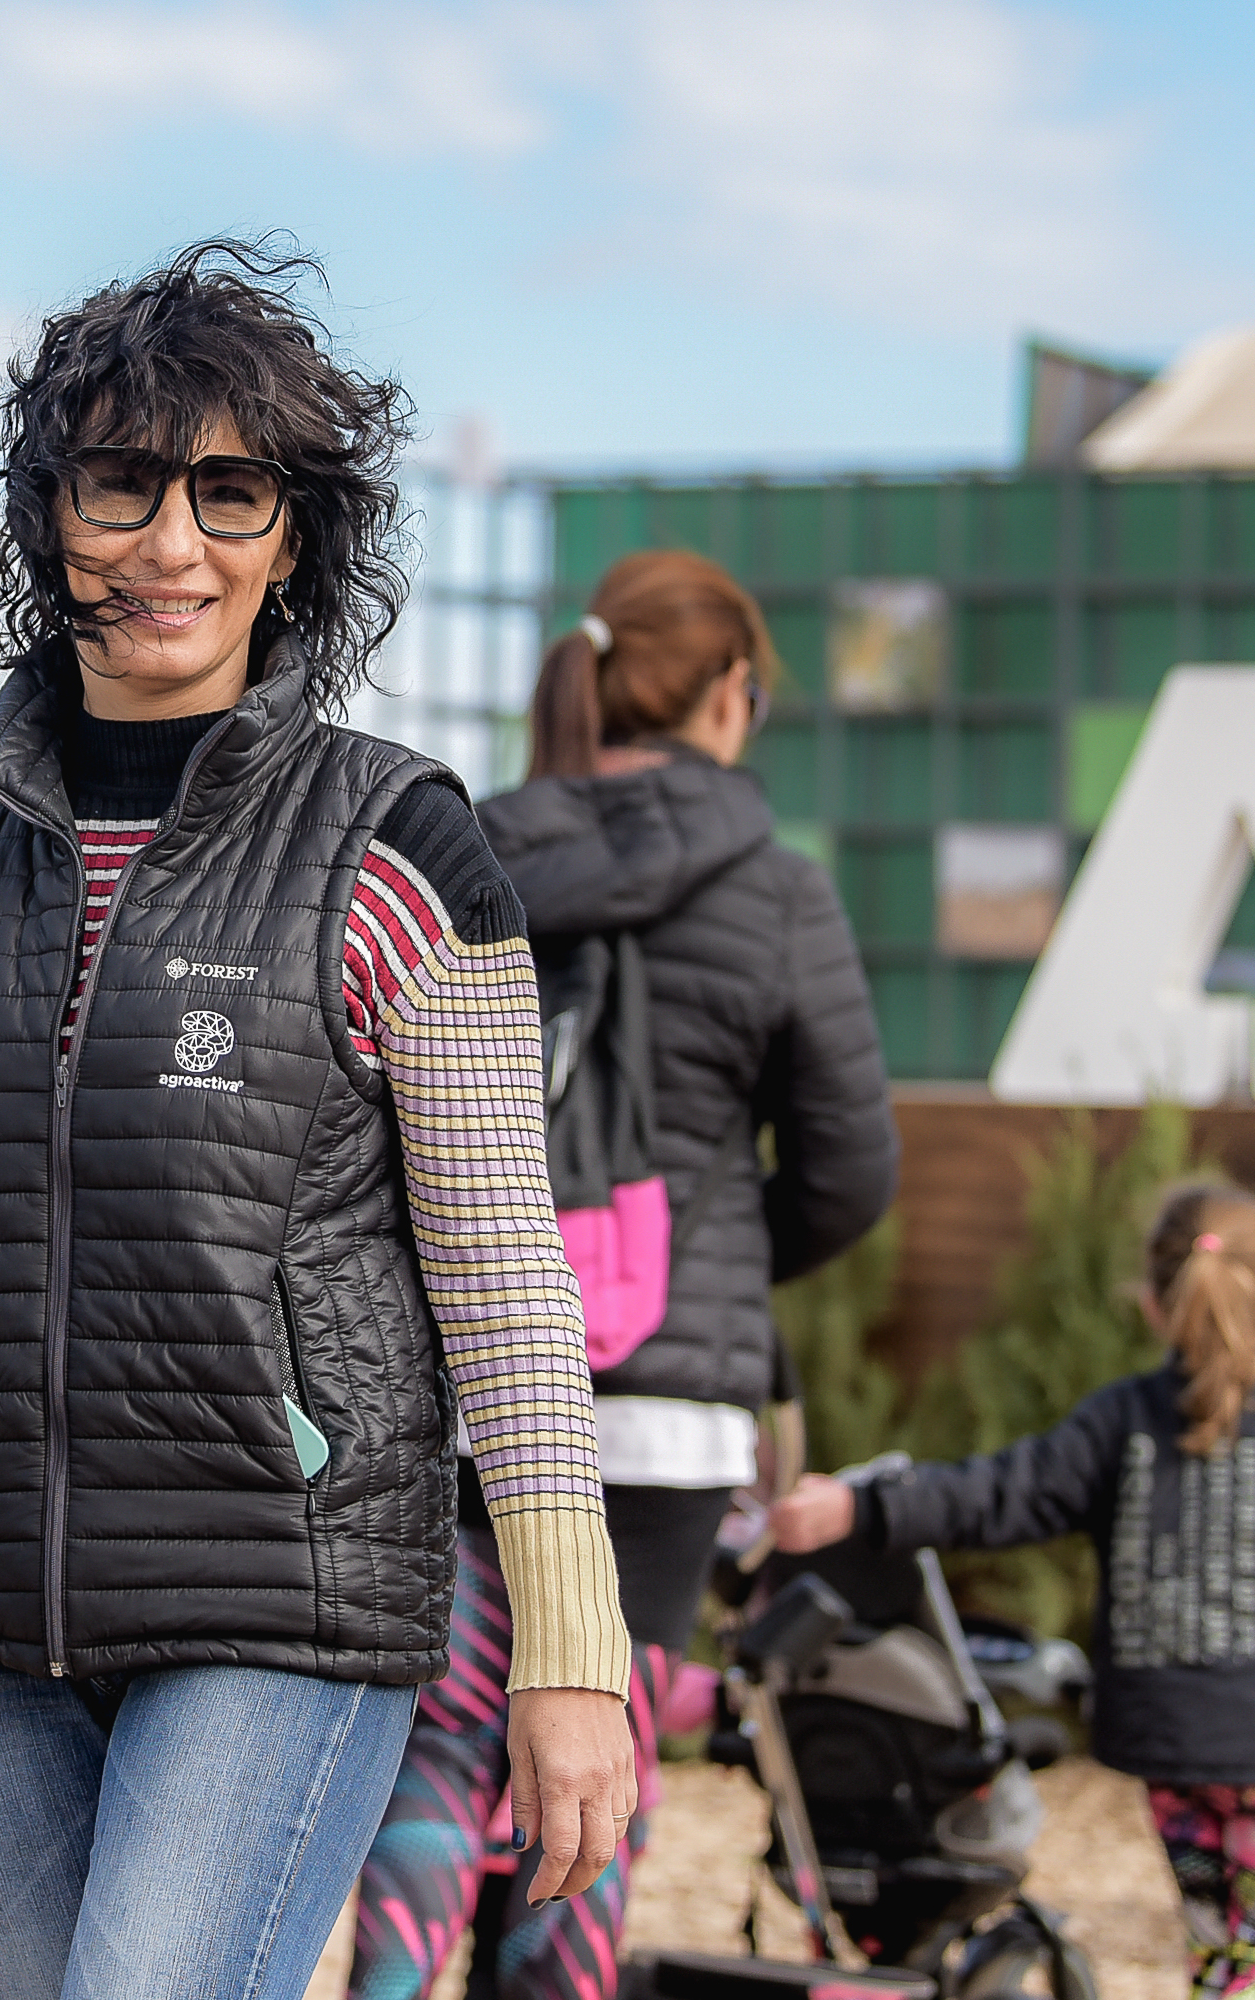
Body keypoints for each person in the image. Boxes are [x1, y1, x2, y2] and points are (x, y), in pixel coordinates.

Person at [0, 240, 637, 2000]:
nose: (171, 542)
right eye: (123, 480)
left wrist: (572, 1648)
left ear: (295, 535)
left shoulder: (403, 850)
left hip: (282, 1600)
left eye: (230, 493)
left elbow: (509, 1292)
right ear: (49, 510)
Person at [344, 549, 899, 2000]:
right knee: (592, 1757)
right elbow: (852, 1168)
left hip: (454, 1381)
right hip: (656, 1423)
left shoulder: (464, 859)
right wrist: (704, 1260)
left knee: (441, 1738)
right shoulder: (780, 894)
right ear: (729, 694)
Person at [770, 1183, 1255, 2000]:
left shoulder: (1123, 1420)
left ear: (1154, 1305)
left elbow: (998, 1494)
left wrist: (861, 1505)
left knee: (1217, 1940)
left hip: (1173, 1741)